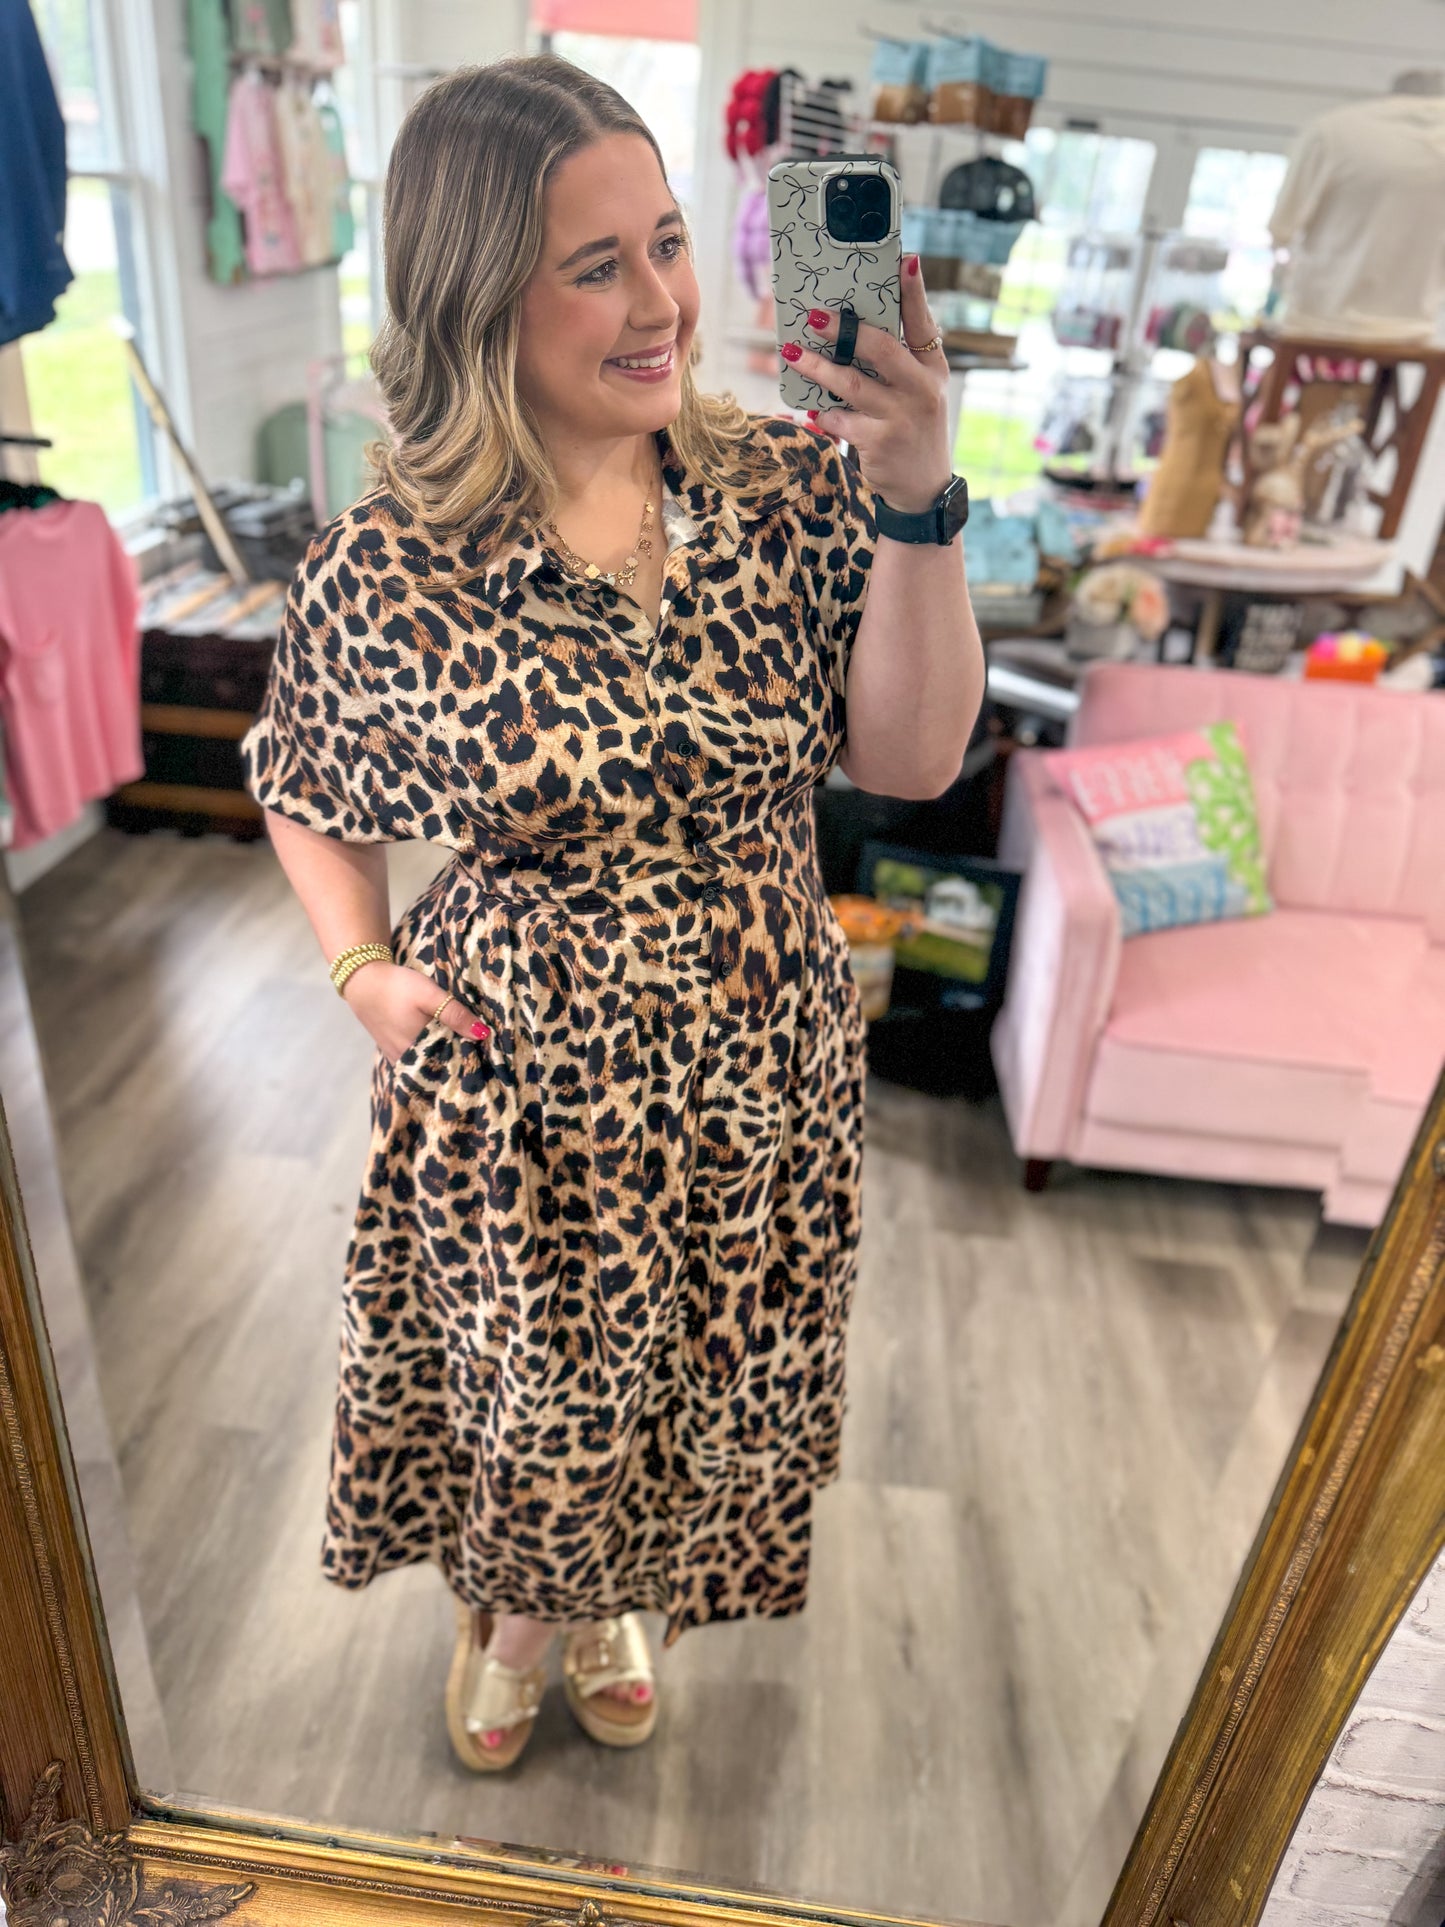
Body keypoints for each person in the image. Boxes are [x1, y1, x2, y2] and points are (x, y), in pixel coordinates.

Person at [240, 53, 982, 1773]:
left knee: (704, 1378)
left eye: (667, 242)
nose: (661, 305)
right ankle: (520, 1616)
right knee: (542, 1396)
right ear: (476, 295)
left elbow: (910, 759)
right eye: (597, 266)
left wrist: (918, 490)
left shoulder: (793, 490)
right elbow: (301, 777)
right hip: (523, 1072)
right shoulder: (390, 558)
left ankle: (609, 1598)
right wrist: (361, 970)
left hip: (755, 1045)